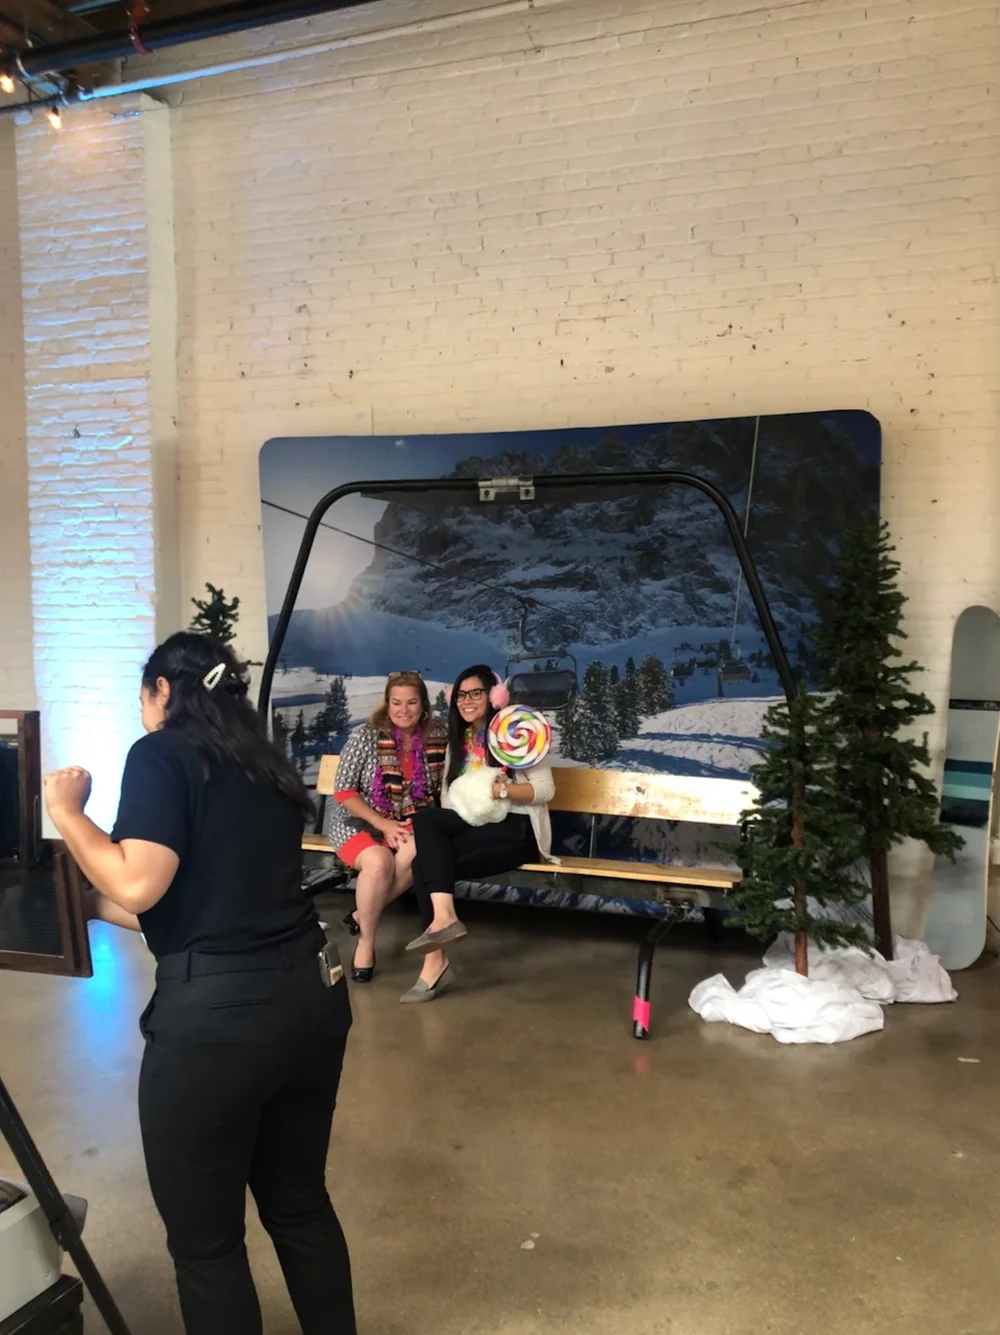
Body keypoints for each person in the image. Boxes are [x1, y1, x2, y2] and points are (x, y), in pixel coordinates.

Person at [43, 632, 355, 1335]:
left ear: (161, 691)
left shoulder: (160, 752)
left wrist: (67, 812)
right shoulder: (260, 764)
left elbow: (138, 878)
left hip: (219, 1027)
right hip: (310, 995)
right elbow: (193, 903)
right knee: (299, 1203)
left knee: (208, 1247)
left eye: (143, 699)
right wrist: (80, 904)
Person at [400, 664, 554, 1003]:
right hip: (476, 825)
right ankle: (444, 921)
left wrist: (504, 792)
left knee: (424, 866)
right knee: (427, 823)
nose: (467, 701)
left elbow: (545, 790)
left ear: (494, 696)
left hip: (517, 831)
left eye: (476, 693)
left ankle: (435, 960)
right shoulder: (459, 742)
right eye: (460, 696)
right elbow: (447, 798)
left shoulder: (516, 731)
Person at [326, 670, 447, 981]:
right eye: (396, 702)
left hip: (407, 820)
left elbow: (443, 785)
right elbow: (344, 792)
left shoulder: (437, 736)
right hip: (358, 820)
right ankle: (366, 942)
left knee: (418, 851)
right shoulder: (365, 735)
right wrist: (383, 824)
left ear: (423, 706)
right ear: (387, 703)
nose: (403, 710)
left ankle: (360, 916)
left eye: (411, 702)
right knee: (379, 863)